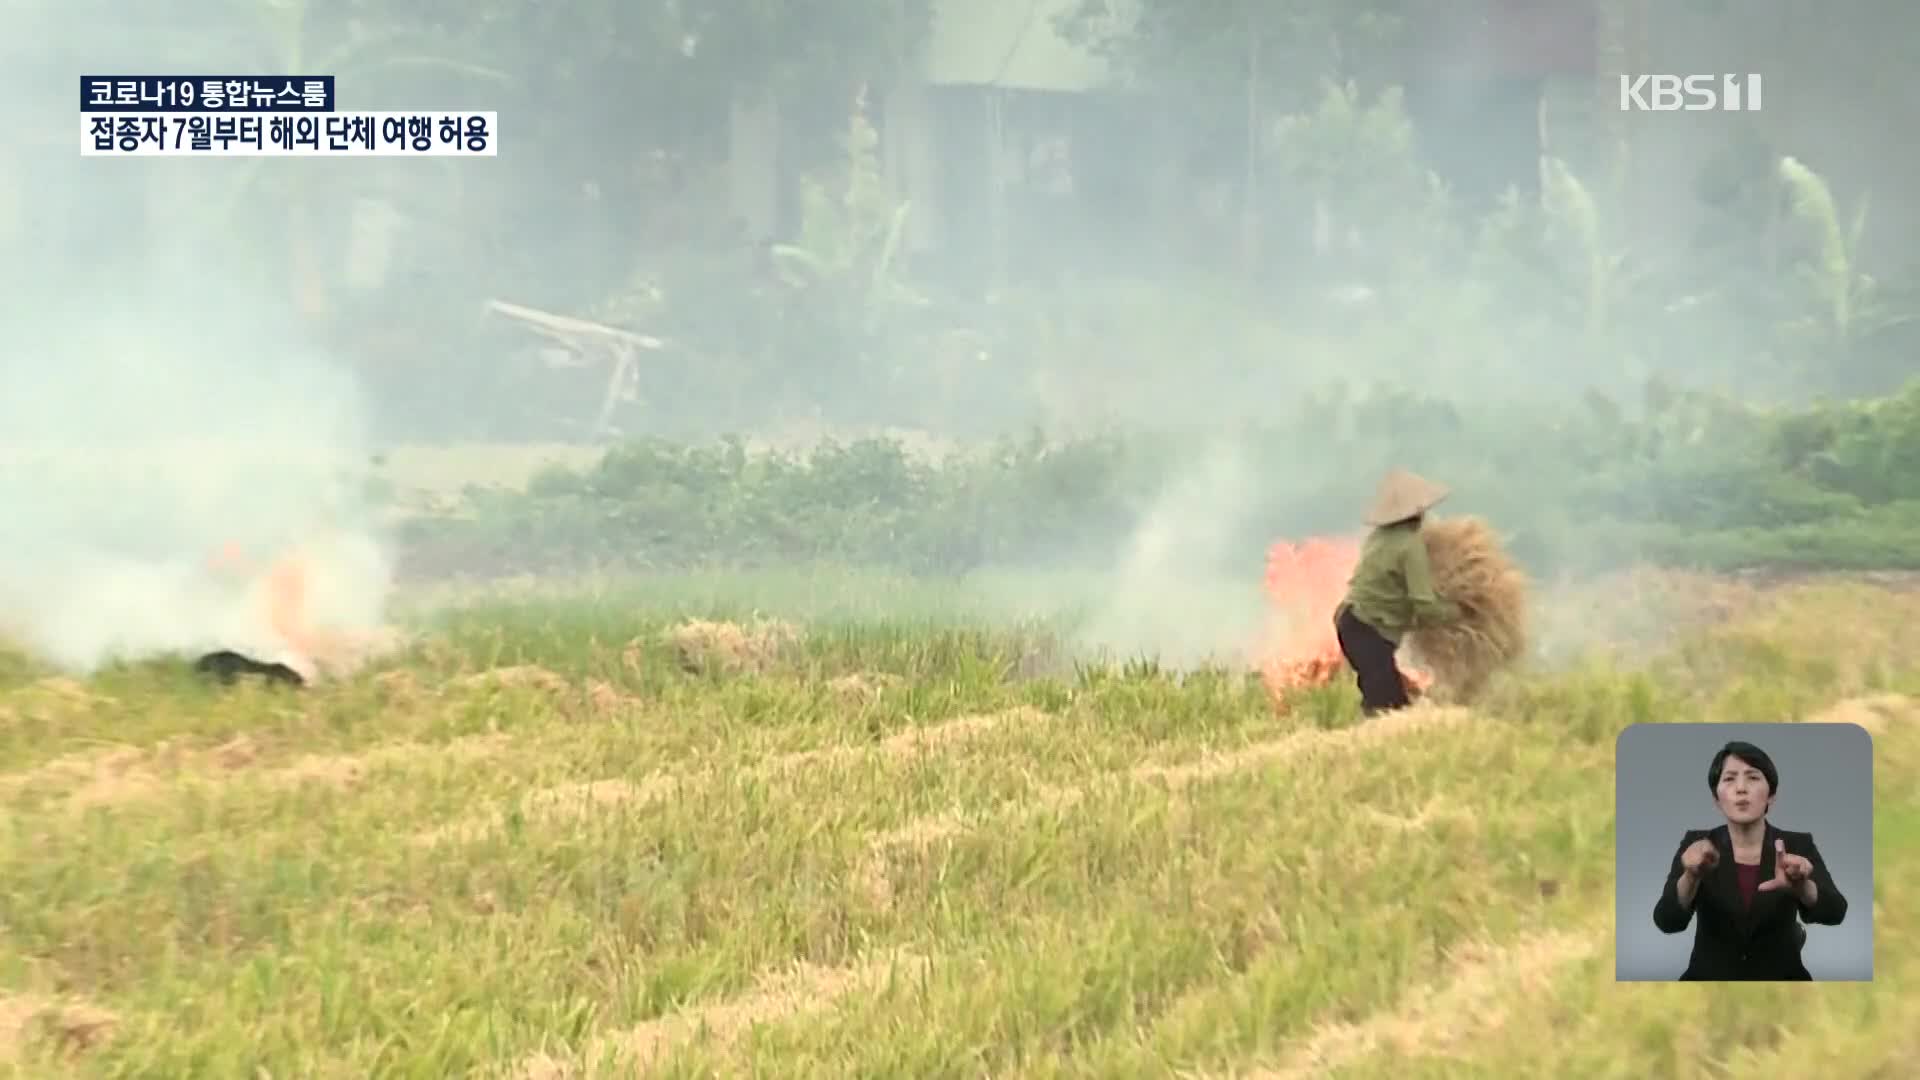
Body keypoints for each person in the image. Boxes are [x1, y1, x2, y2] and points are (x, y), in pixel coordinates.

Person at [1652, 740, 1848, 980]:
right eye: (1729, 778)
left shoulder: (1797, 845)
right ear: (1716, 799)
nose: (1741, 788)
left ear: (1771, 796)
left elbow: (1836, 912)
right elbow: (1667, 921)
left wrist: (1802, 887)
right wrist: (1691, 876)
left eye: (1753, 778)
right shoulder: (1697, 845)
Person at [1333, 468, 1462, 715]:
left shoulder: (1378, 537)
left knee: (1387, 701)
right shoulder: (1411, 547)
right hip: (1368, 632)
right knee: (1389, 709)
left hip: (1349, 623)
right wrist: (1459, 612)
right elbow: (1425, 605)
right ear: (1417, 512)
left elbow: (1388, 591)